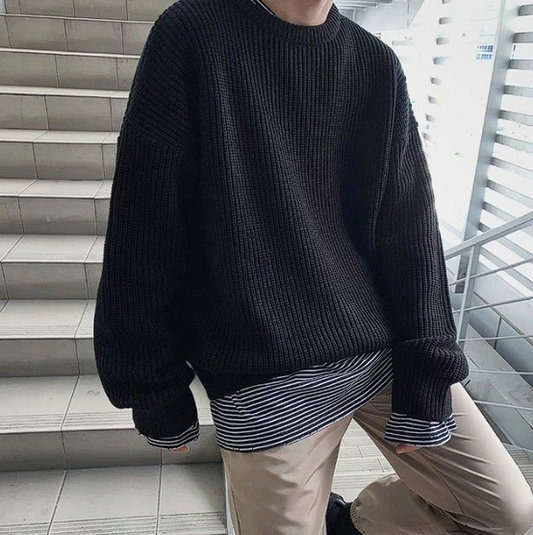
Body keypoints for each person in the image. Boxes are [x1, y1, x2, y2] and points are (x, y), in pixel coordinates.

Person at [93, 0, 533, 533]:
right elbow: (145, 219)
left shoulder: (375, 62)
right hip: (263, 367)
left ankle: (353, 524)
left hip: (382, 351)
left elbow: (409, 228)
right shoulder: (192, 34)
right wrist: (150, 383)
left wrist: (428, 363)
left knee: (508, 513)